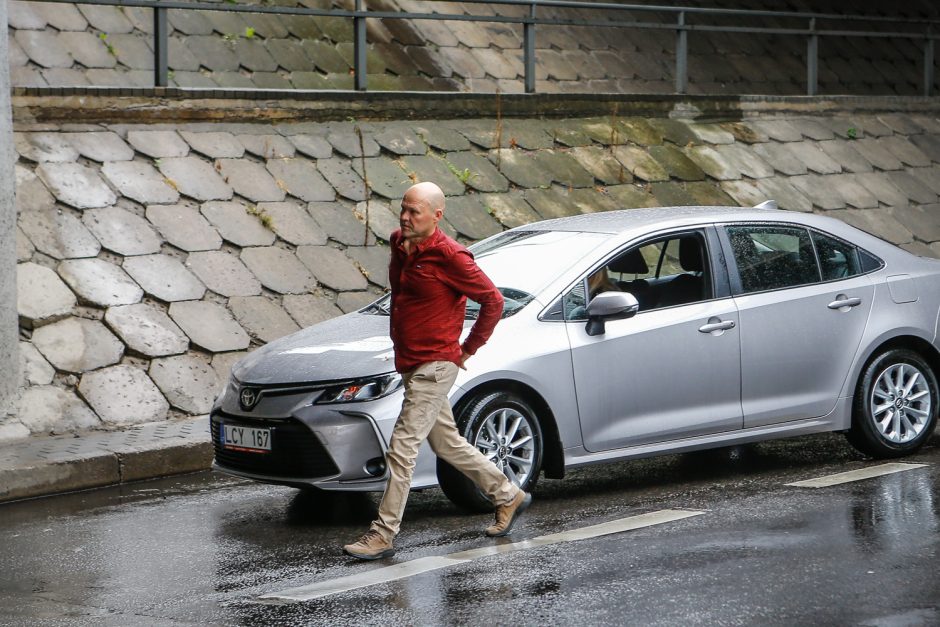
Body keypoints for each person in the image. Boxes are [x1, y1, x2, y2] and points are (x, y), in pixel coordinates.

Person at [343, 182, 532, 561]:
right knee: (445, 443)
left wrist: (466, 349)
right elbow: (402, 299)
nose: (405, 217)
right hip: (411, 361)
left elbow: (493, 301)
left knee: (402, 446)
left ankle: (382, 534)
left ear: (437, 215)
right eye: (403, 208)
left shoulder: (451, 257)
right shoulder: (399, 242)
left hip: (436, 365)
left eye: (415, 211)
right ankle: (507, 494)